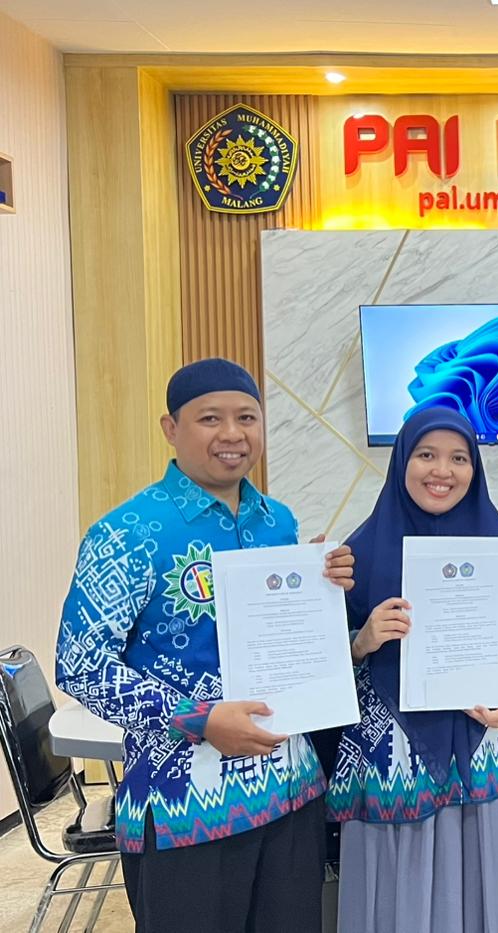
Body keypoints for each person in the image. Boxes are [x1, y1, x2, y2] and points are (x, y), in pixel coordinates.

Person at [56, 358, 355, 933]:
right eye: (210, 418)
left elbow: (283, 645)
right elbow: (81, 665)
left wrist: (323, 593)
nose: (232, 434)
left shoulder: (277, 522)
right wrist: (199, 718)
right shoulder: (126, 533)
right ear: (171, 429)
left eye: (247, 417)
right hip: (184, 807)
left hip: (291, 795)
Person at [326, 406, 498, 933]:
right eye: (426, 454)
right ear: (402, 461)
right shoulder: (355, 558)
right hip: (394, 762)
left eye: (458, 458)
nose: (442, 471)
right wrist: (361, 641)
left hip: (487, 753)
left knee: (486, 888)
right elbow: (318, 671)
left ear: (475, 468)